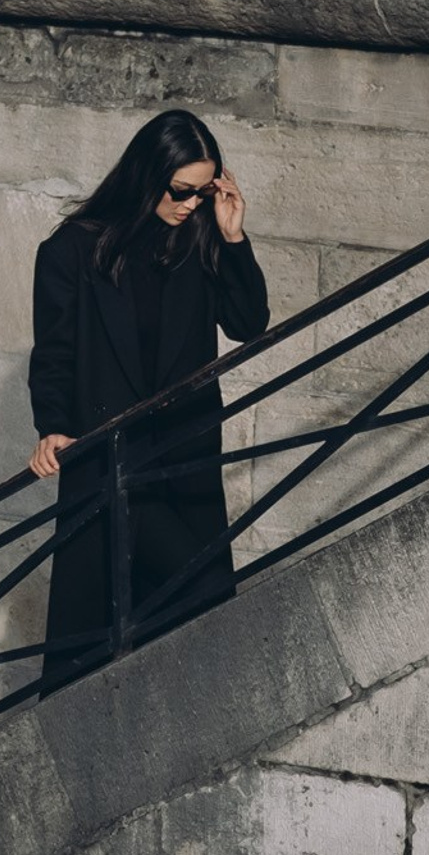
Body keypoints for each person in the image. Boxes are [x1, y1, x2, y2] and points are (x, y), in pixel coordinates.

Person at [26, 107, 270, 685]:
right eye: (180, 191)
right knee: (90, 651)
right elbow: (54, 353)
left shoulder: (204, 240)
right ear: (146, 174)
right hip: (107, 467)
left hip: (183, 465)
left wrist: (233, 237)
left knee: (202, 622)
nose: (189, 204)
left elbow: (248, 323)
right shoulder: (72, 251)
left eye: (202, 191)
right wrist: (53, 426)